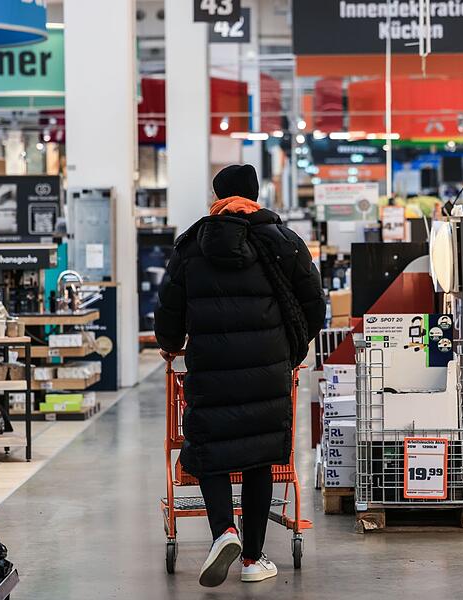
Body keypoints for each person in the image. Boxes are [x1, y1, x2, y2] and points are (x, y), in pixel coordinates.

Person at [154, 164, 325, 587]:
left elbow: (169, 308)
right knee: (259, 457)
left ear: (216, 196)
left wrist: (171, 343)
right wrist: (293, 345)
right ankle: (252, 559)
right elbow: (314, 304)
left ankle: (223, 533)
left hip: (210, 365)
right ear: (255, 193)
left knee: (210, 448)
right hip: (267, 369)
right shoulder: (282, 240)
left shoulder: (191, 244)